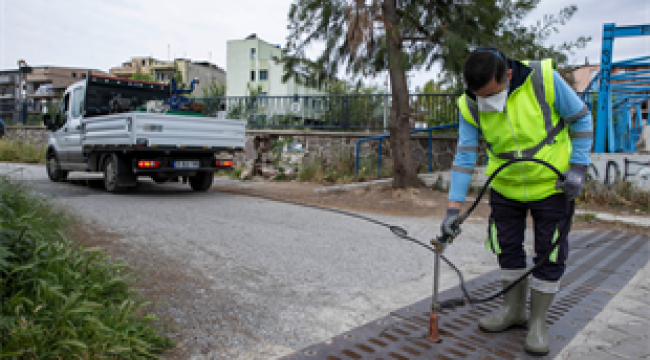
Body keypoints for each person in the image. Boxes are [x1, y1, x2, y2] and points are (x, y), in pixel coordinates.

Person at [440, 47, 593, 356]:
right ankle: (513, 311)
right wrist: (453, 208)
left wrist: (578, 167)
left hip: (552, 184)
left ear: (508, 75)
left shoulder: (544, 79)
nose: (487, 102)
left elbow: (581, 118)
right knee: (506, 246)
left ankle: (537, 323)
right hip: (505, 186)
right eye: (480, 96)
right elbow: (465, 153)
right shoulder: (470, 102)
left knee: (548, 253)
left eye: (492, 94)